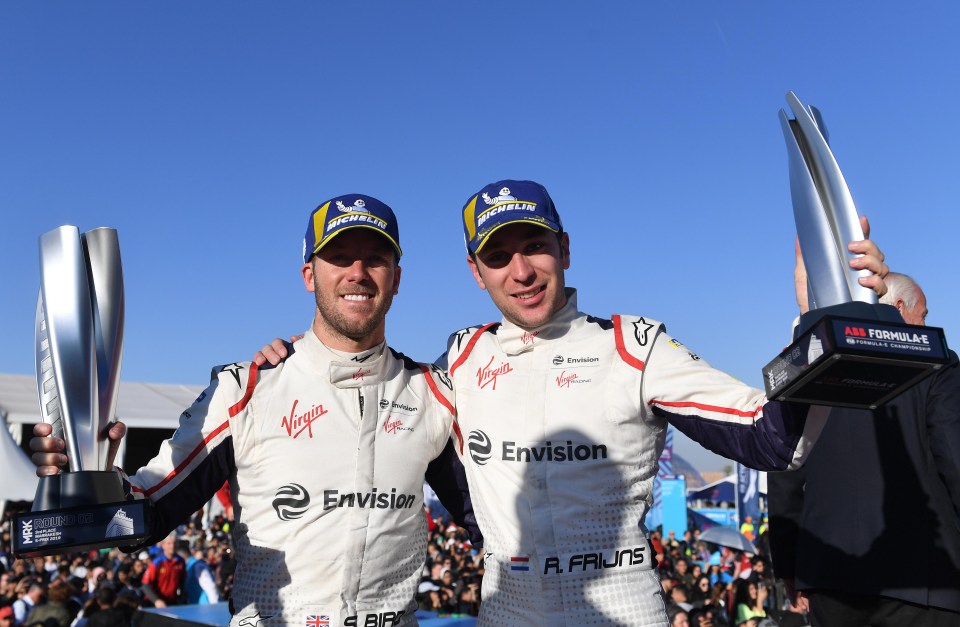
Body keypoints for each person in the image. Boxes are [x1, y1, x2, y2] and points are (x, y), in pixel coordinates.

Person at [257, 179, 890, 625]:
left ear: (564, 249)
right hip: (507, 613)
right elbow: (374, 405)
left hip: (624, 609)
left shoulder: (634, 347)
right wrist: (291, 366)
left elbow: (773, 439)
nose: (521, 271)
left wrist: (822, 323)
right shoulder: (461, 360)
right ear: (476, 273)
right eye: (498, 257)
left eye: (533, 247)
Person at [31, 194, 477, 627]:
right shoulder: (246, 389)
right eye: (339, 257)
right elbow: (148, 514)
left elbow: (493, 522)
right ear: (309, 274)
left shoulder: (434, 396)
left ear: (396, 278)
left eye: (374, 259)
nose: (357, 273)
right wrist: (89, 478)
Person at [768, 270, 960, 626]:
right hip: (924, 576)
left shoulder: (806, 368)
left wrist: (788, 563)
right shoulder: (936, 361)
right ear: (900, 307)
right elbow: (954, 457)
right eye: (924, 314)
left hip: (830, 577)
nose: (925, 323)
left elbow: (784, 468)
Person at [140, 534, 185, 607]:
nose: (172, 546)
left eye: (174, 543)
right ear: (163, 545)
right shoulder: (157, 562)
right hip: (154, 603)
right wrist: (156, 600)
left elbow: (182, 581)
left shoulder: (181, 561)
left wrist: (181, 598)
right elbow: (145, 585)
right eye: (169, 543)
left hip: (171, 602)